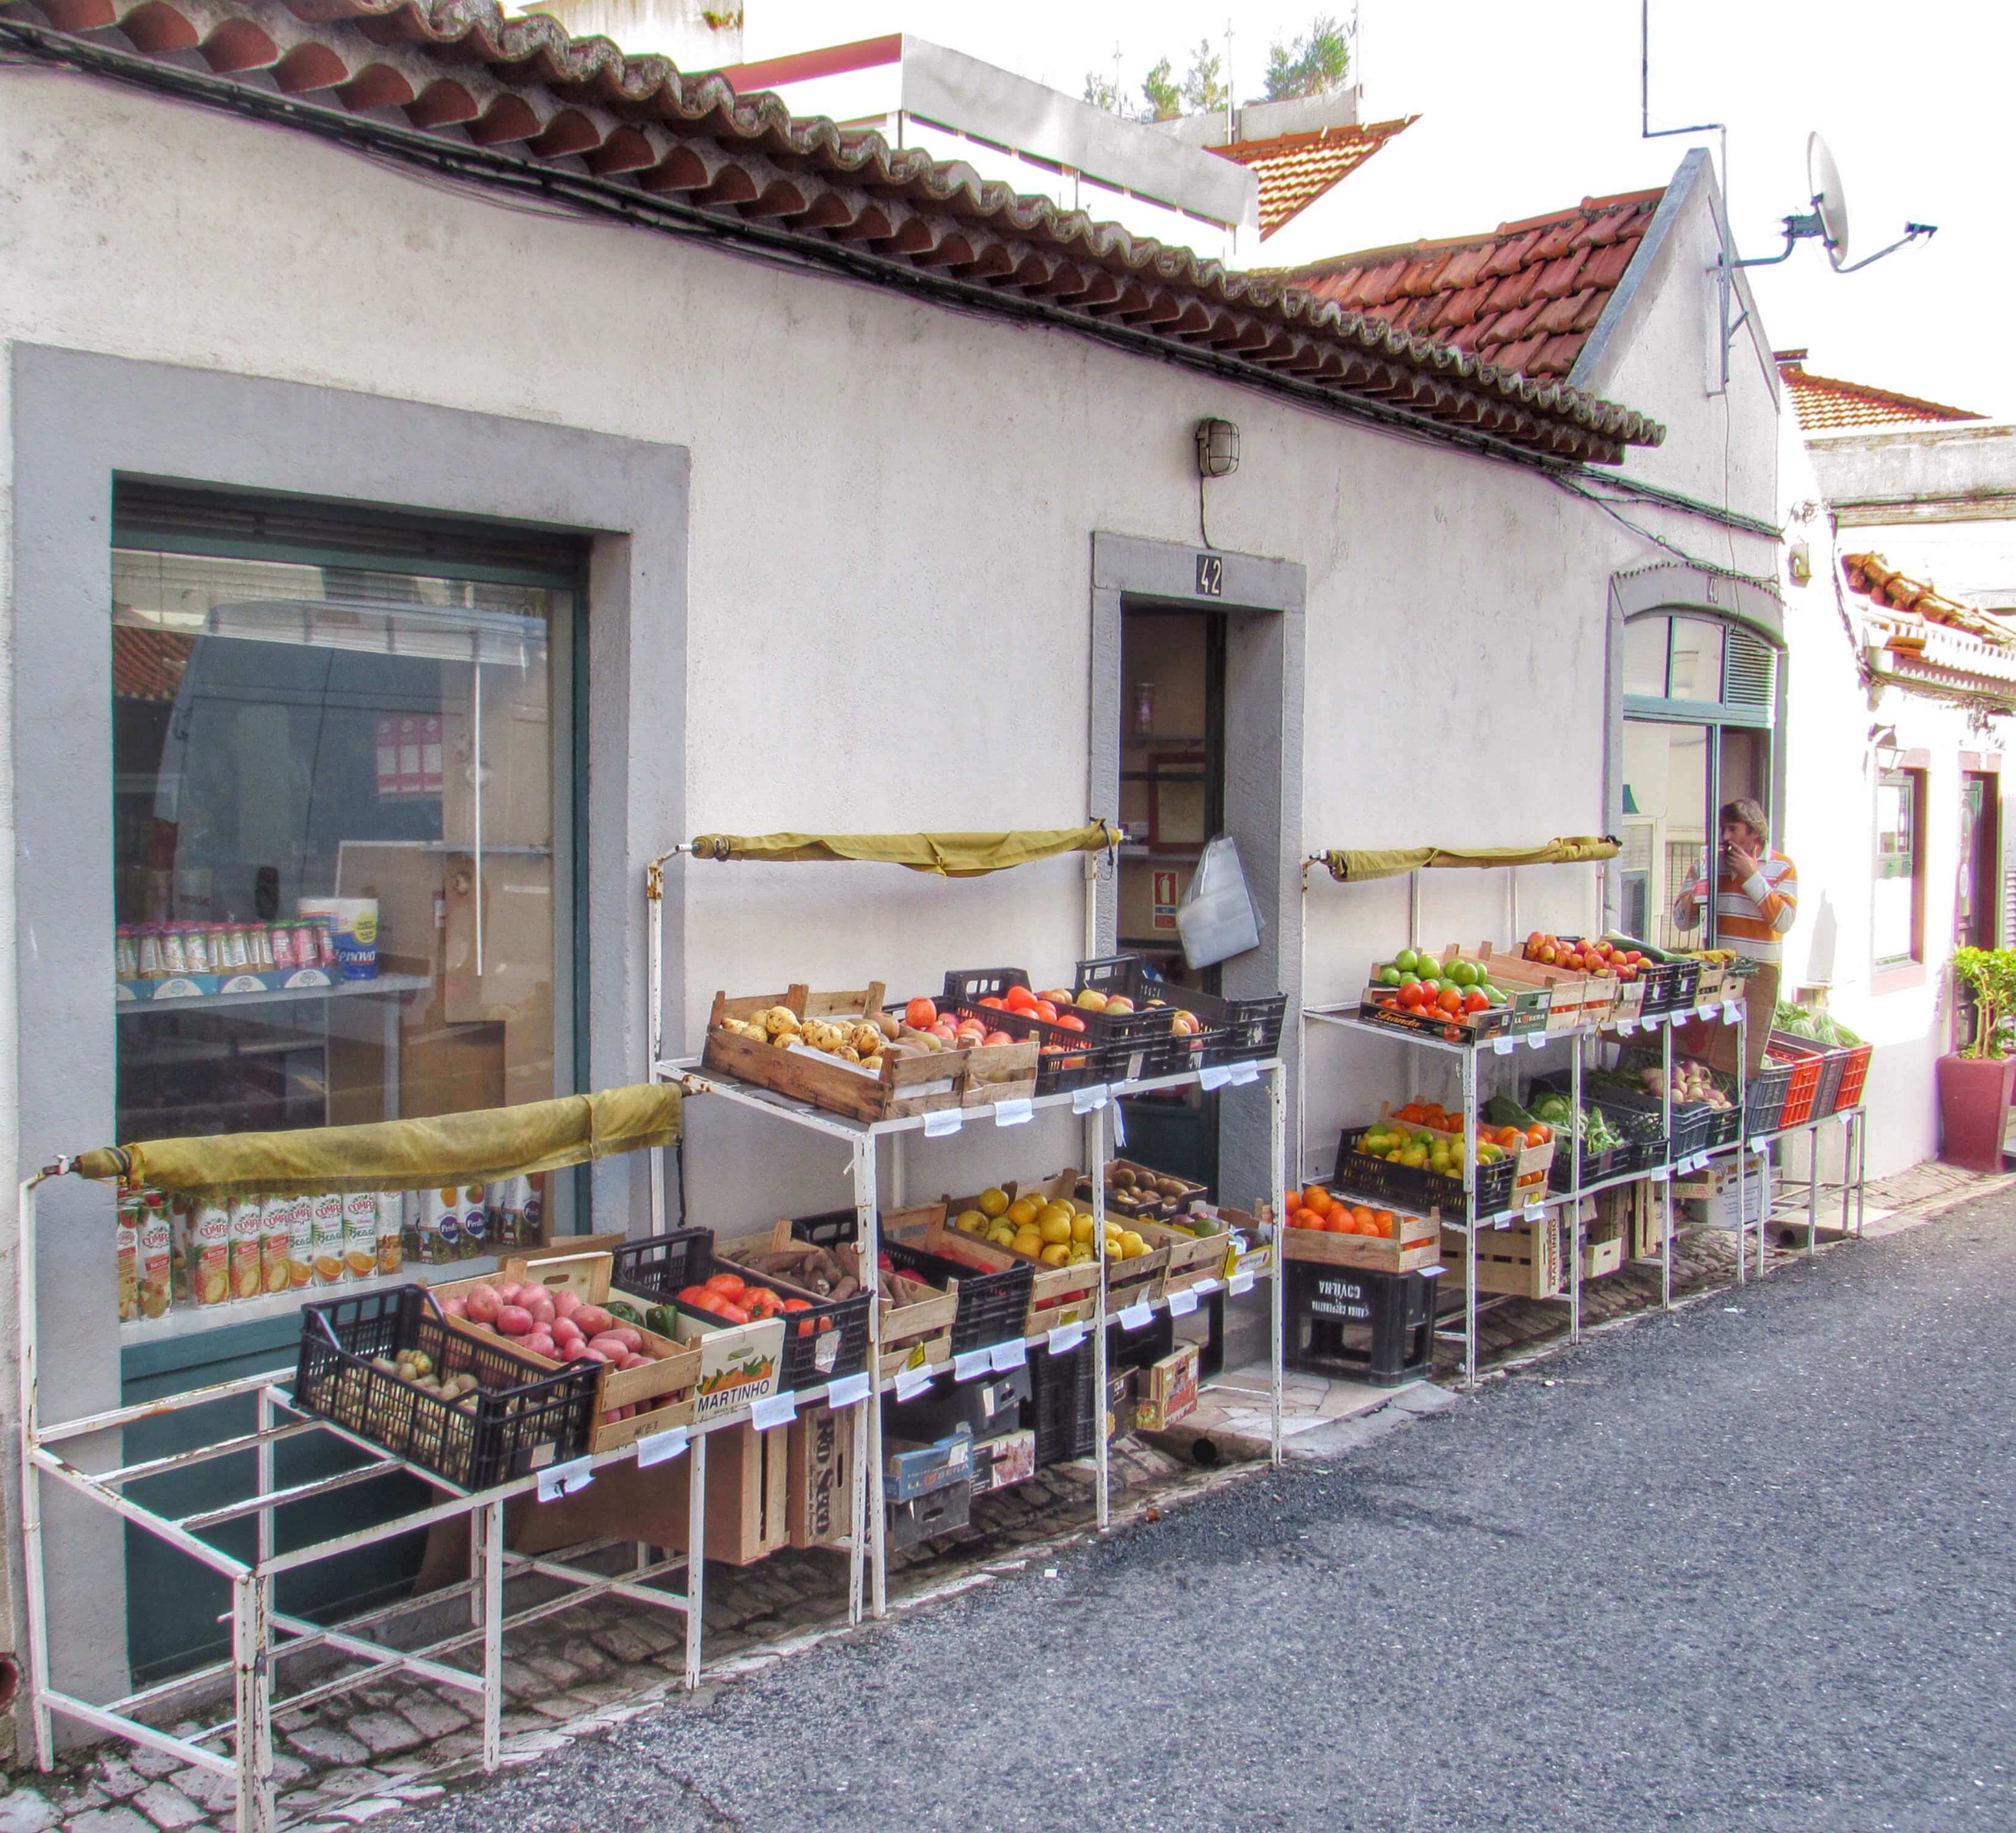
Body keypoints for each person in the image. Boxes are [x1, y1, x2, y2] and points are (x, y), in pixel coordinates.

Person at [1673, 798, 1797, 1072]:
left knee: (1746, 1058)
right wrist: (1700, 891)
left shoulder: (1782, 868)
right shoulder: (1707, 865)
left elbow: (1784, 921)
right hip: (1718, 974)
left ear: (1754, 832)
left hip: (1758, 975)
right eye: (1723, 830)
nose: (1726, 837)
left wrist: (1752, 876)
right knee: (1711, 1058)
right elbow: (1681, 922)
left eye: (1733, 830)